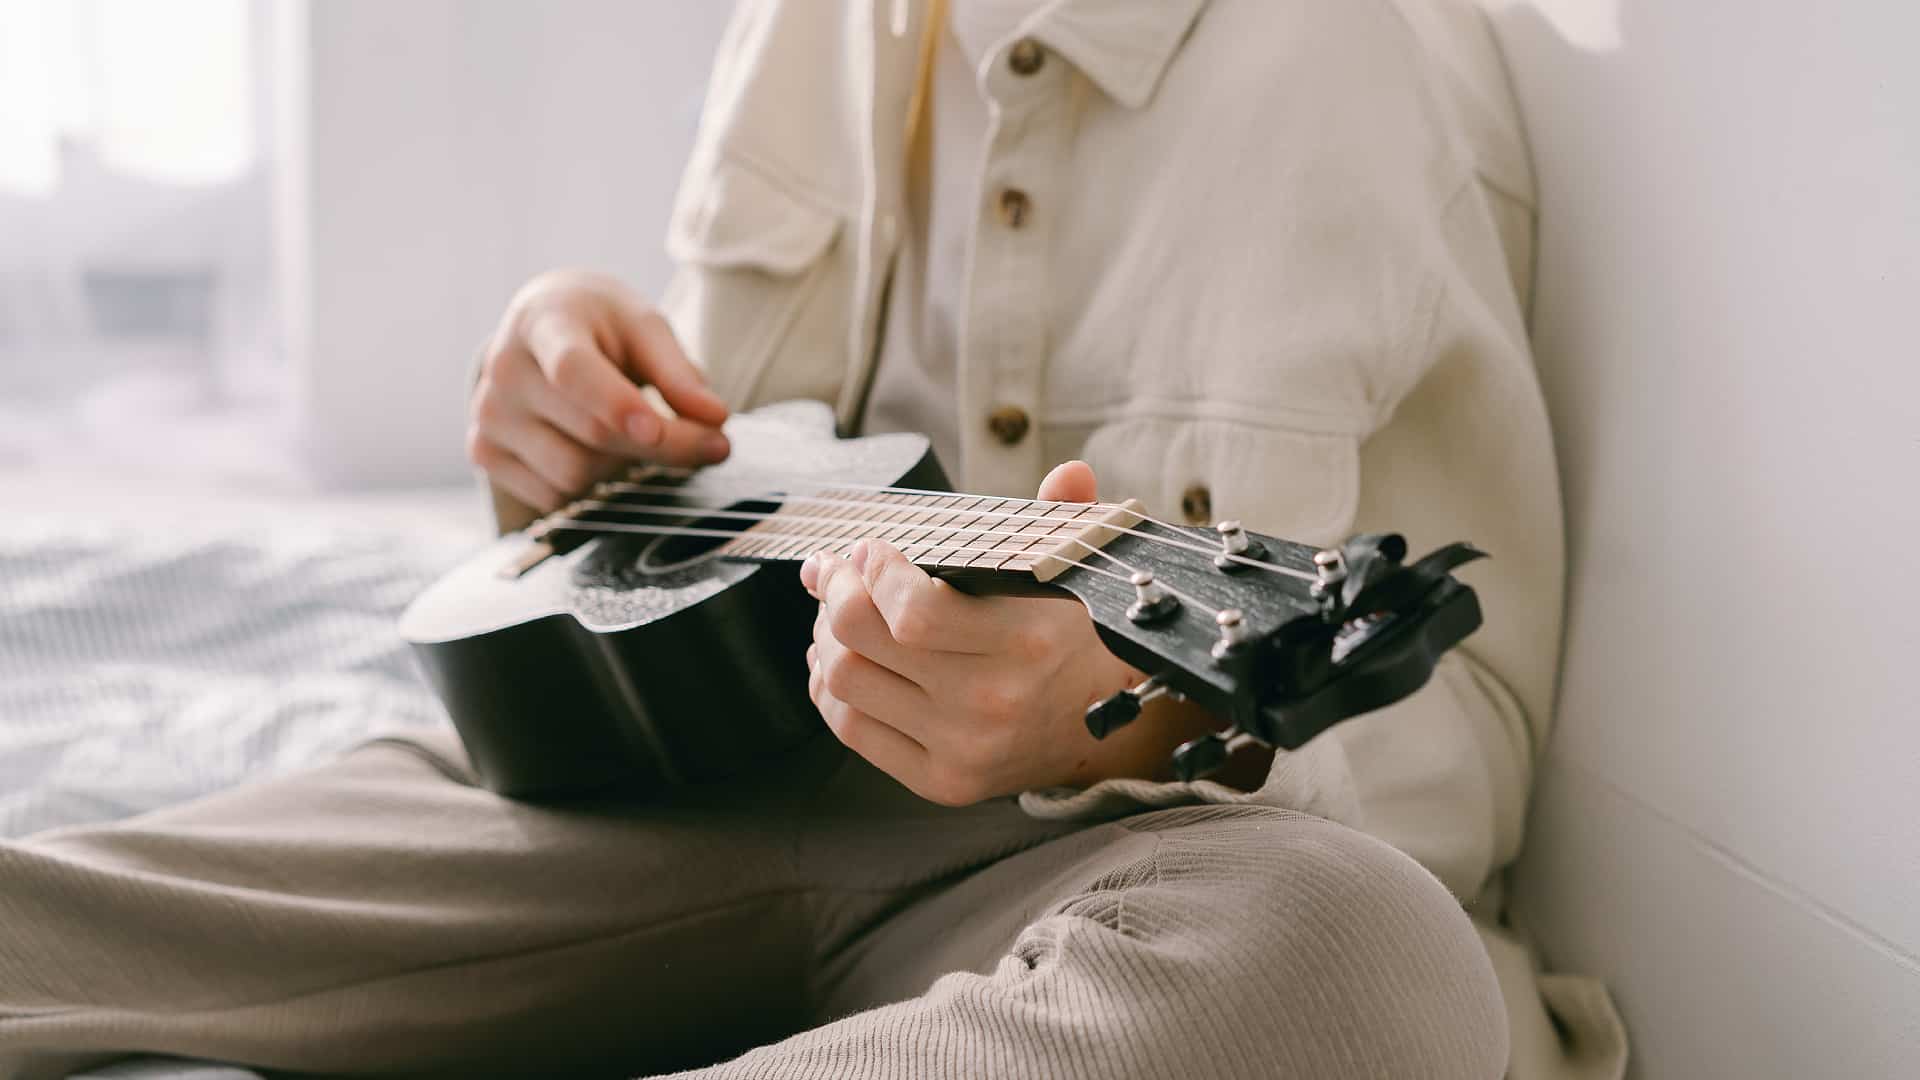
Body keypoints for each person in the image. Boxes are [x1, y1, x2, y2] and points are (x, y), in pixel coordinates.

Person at [0, 1, 1626, 1077]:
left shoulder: (1367, 72)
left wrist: (1154, 717)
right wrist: (563, 432)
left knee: (1369, 968)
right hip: (685, 796)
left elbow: (1461, 747)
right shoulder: (811, 26)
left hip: (1116, 881)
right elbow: (706, 515)